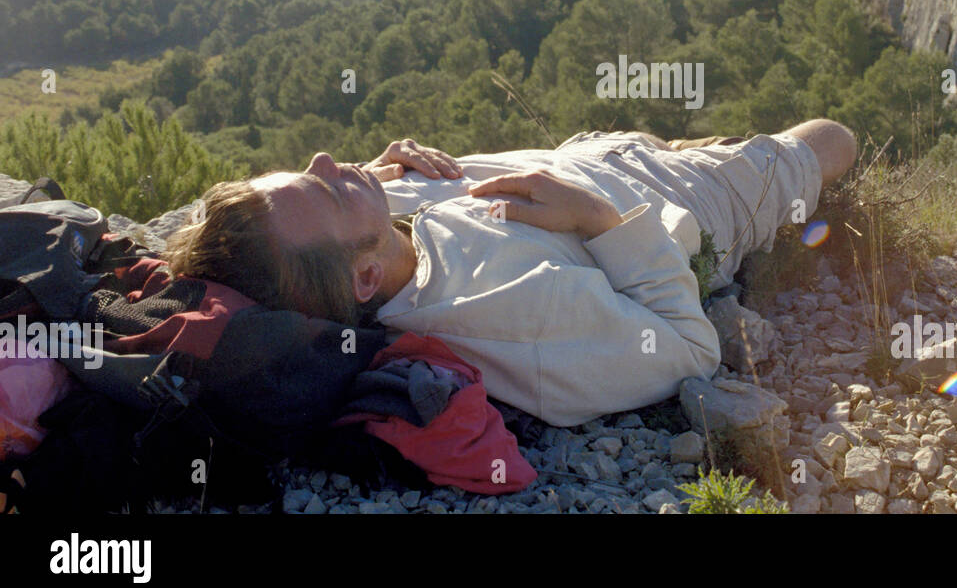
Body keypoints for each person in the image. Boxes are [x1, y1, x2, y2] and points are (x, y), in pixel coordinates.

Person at [165, 120, 856, 427]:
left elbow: (326, 217)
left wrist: (371, 177)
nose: (323, 159)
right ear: (365, 280)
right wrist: (598, 219)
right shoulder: (502, 314)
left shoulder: (374, 237)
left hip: (587, 148)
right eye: (325, 191)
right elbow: (688, 349)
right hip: (682, 198)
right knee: (829, 139)